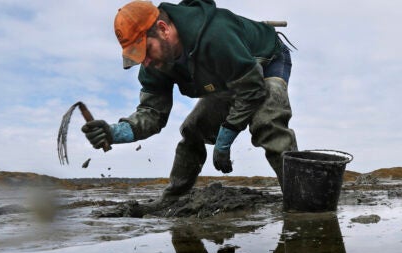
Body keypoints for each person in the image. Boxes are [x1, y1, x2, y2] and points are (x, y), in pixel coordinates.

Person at [81, 0, 298, 201]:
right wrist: (115, 132)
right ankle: (173, 200)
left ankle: (301, 197)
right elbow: (152, 112)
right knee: (192, 130)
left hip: (267, 61)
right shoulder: (154, 65)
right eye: (138, 57)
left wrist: (226, 136)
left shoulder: (216, 34)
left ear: (163, 29)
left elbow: (252, 89)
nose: (145, 62)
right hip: (227, 78)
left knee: (267, 124)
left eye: (146, 50)